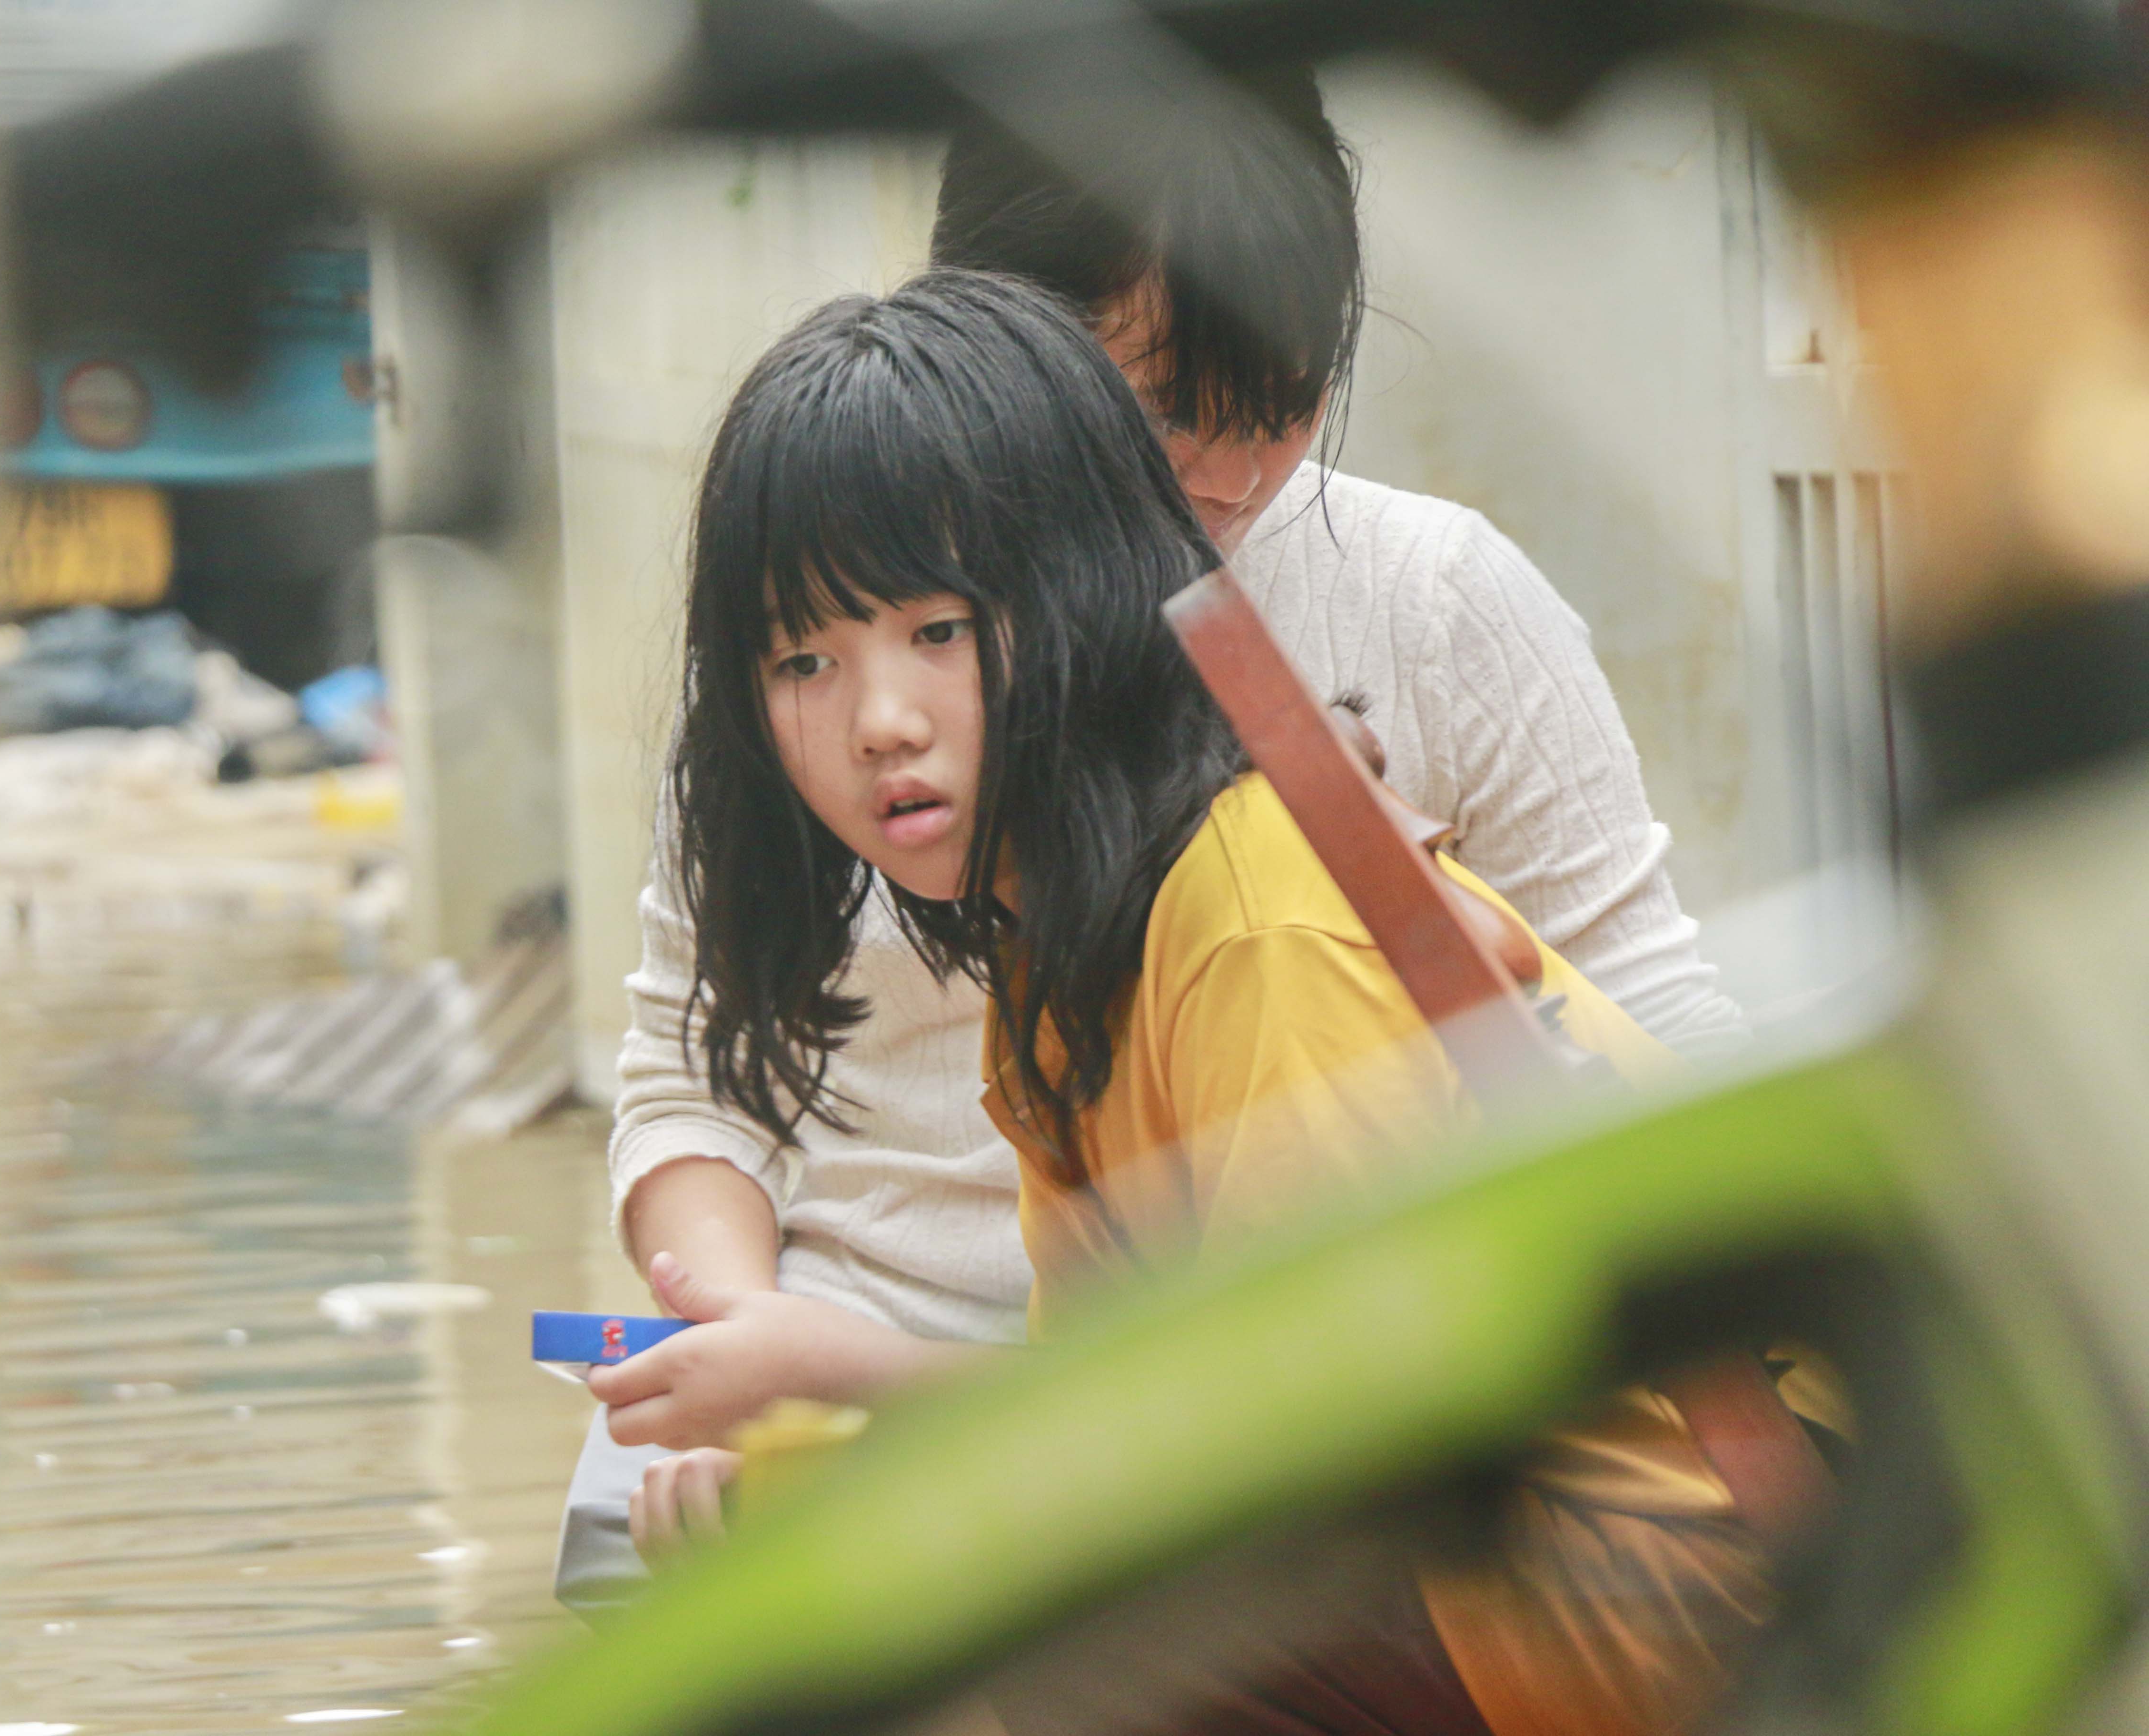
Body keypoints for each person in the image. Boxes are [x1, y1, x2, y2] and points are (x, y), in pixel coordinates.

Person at [564, 77, 1745, 1592]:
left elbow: (1307, 1423)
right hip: (988, 1390)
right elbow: (693, 1070)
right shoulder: (868, 709)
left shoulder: (1280, 855)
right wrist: (739, 1356)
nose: (1234, 477)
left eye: (1286, 400)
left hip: (1233, 1433)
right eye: (1172, 410)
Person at [658, 267, 1823, 1736]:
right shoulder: (1076, 934)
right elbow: (1122, 1399)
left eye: (940, 630)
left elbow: (1294, 1463)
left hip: (1687, 1639)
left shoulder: (1249, 925)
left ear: (1078, 594)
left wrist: (850, 1424)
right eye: (805, 660)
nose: (879, 721)